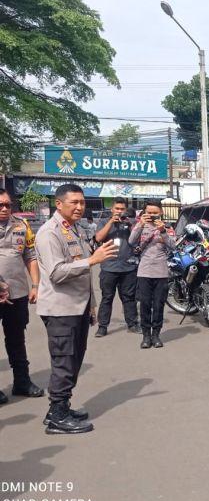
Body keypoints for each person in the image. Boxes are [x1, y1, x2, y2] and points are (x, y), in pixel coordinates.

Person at [36, 183, 118, 434]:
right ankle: (56, 416)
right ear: (58, 204)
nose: (80, 207)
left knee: (74, 359)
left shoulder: (76, 229)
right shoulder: (49, 233)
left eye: (82, 202)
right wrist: (93, 259)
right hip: (61, 310)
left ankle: (62, 406)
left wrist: (91, 306)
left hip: (77, 308)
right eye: (74, 202)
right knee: (64, 361)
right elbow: (57, 273)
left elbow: (83, 275)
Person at [0, 188, 43, 404]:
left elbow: (30, 255)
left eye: (8, 204)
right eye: (1, 205)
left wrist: (35, 284)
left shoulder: (21, 225)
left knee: (17, 339)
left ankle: (22, 382)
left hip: (17, 293)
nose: (5, 209)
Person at [129, 199, 176, 349]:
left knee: (158, 305)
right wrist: (140, 224)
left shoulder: (167, 228)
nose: (152, 215)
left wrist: (162, 231)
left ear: (161, 212)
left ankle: (156, 335)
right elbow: (131, 241)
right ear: (144, 213)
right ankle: (146, 336)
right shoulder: (140, 225)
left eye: (155, 213)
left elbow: (173, 246)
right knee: (145, 305)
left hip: (161, 272)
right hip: (144, 271)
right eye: (149, 212)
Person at [94, 197, 140, 337]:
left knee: (129, 297)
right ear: (112, 209)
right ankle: (102, 326)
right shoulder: (104, 222)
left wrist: (130, 223)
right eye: (117, 209)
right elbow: (99, 238)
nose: (120, 212)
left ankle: (132, 323)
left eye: (122, 209)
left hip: (128, 267)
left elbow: (137, 238)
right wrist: (110, 222)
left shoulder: (131, 223)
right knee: (107, 297)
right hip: (109, 267)